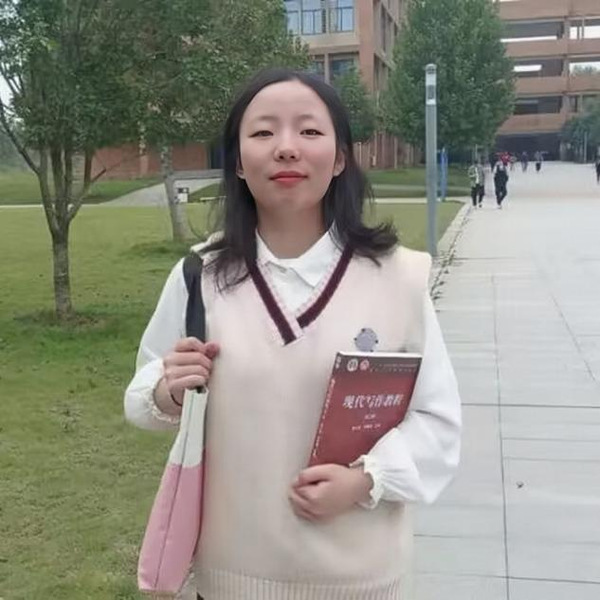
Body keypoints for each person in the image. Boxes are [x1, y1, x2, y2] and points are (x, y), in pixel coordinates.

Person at [124, 68, 461, 600]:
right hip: (231, 576)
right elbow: (142, 395)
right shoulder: (200, 276)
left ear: (341, 157)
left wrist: (366, 479)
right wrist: (168, 389)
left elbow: (438, 421)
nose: (286, 148)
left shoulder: (400, 277)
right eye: (262, 132)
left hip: (360, 580)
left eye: (309, 131)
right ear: (238, 162)